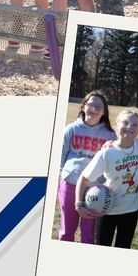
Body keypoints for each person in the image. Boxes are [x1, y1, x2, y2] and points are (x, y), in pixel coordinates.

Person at [76, 109, 138, 248]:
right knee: (102, 246)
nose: (129, 127)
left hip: (130, 210)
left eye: (135, 124)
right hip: (106, 208)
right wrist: (79, 204)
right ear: (116, 125)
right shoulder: (107, 153)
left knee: (124, 246)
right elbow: (84, 179)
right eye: (125, 122)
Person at [57, 91, 116, 244]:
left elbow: (113, 161)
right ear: (83, 107)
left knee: (89, 235)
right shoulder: (71, 129)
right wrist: (66, 174)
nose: (94, 108)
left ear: (104, 112)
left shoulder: (110, 135)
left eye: (99, 106)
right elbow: (60, 156)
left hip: (95, 189)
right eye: (91, 104)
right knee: (66, 231)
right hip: (70, 184)